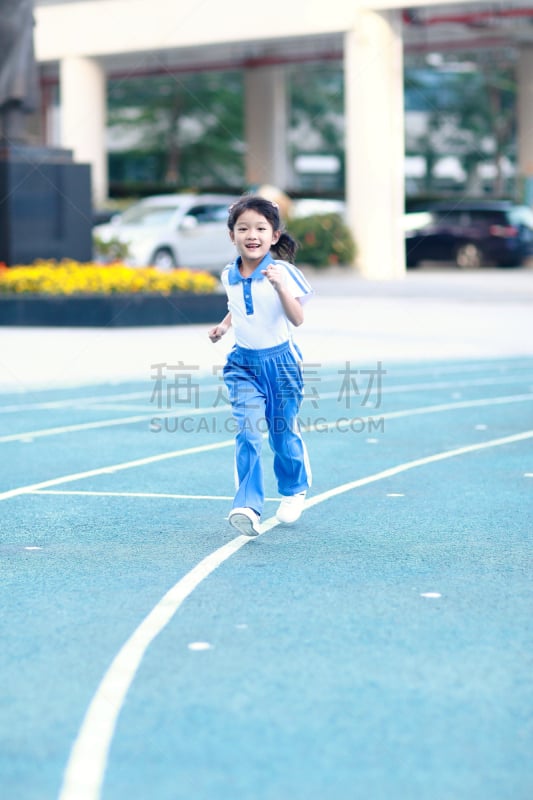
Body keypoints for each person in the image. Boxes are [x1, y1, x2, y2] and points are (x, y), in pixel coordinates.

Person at [209, 195, 313, 537]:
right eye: (243, 228)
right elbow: (238, 304)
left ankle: (294, 489)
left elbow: (297, 318)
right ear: (232, 235)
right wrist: (225, 327)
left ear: (274, 236)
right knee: (249, 431)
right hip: (243, 364)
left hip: (282, 364)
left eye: (260, 228)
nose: (251, 235)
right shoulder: (228, 274)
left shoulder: (282, 272)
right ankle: (247, 506)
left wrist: (281, 287)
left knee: (282, 433)